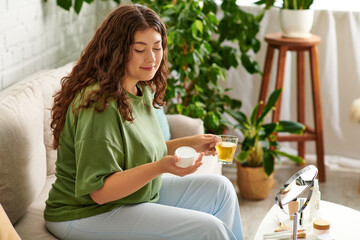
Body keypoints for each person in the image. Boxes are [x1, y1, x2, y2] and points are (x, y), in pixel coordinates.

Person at [44, 4, 244, 240]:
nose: (151, 58)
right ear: (116, 51)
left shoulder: (140, 89)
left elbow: (140, 151)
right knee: (209, 229)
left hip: (130, 196)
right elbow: (100, 192)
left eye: (157, 47)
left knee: (221, 190)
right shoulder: (99, 105)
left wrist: (193, 143)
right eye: (140, 49)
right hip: (84, 212)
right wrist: (161, 167)